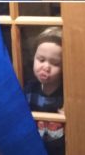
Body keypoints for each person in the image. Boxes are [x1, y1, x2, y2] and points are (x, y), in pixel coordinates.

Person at [24, 27, 65, 155]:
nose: (46, 67)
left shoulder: (67, 94)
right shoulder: (29, 89)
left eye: (55, 63)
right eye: (41, 60)